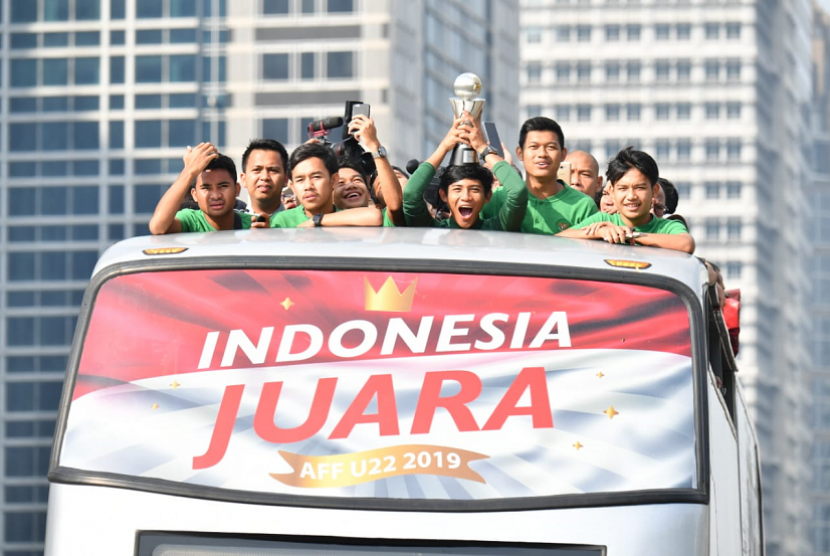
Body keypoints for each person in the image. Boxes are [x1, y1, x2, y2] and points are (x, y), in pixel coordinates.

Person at [558, 147, 695, 254]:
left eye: (639, 188)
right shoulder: (602, 220)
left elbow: (686, 244)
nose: (631, 196)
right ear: (612, 191)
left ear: (654, 190)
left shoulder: (666, 227)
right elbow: (559, 239)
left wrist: (630, 235)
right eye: (623, 188)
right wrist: (599, 233)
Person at [403, 112, 527, 230]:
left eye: (474, 189)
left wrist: (482, 148)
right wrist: (444, 147)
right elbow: (410, 194)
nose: (466, 197)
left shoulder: (496, 229)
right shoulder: (432, 230)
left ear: (488, 196)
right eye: (457, 189)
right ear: (444, 195)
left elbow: (518, 191)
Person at [480, 116, 597, 233]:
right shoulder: (496, 199)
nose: (542, 154)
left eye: (551, 147)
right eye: (534, 147)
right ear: (520, 153)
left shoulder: (583, 206)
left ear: (563, 154)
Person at [270, 142, 382, 228]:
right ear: (292, 186)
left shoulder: (346, 218)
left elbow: (375, 216)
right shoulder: (281, 221)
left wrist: (317, 220)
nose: (308, 186)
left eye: (316, 177)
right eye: (300, 180)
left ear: (334, 180)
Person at [150, 143, 252, 234]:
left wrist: (262, 235)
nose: (216, 196)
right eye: (206, 188)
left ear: (237, 189)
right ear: (194, 194)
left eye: (223, 186)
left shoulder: (255, 225)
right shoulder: (190, 220)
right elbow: (158, 227)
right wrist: (188, 171)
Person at [239, 139, 289, 227]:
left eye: (273, 170)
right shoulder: (231, 223)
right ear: (244, 179)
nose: (265, 177)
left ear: (285, 179)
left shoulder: (297, 224)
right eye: (257, 170)